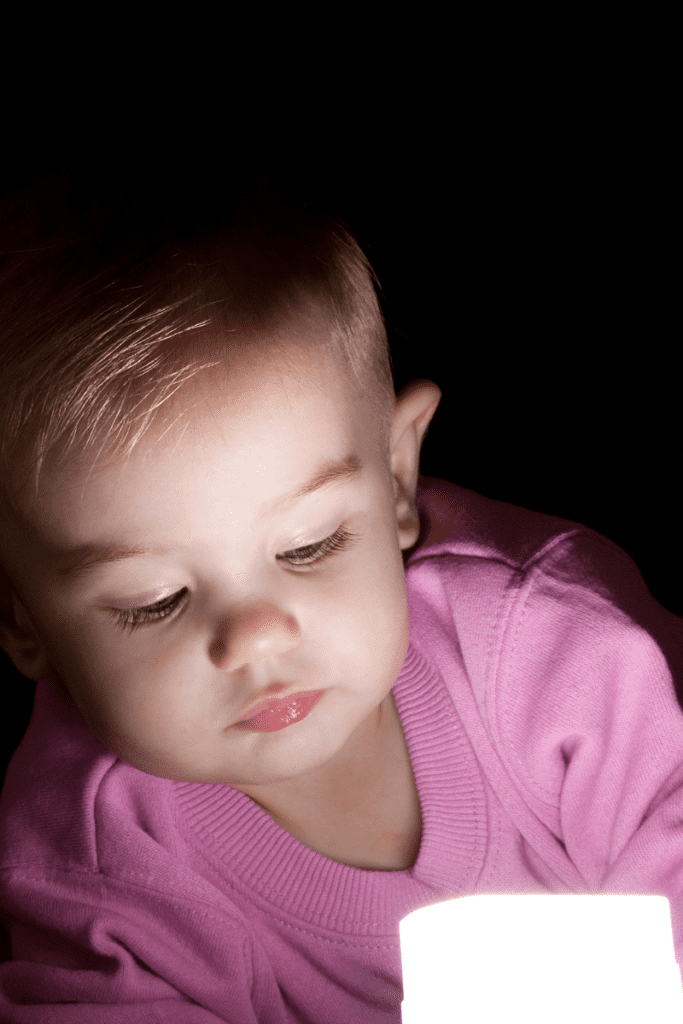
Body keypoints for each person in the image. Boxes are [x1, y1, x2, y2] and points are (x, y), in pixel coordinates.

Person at [0, 170, 681, 1023]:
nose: (256, 637)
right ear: (21, 617)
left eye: (309, 545)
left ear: (395, 478)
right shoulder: (100, 858)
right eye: (154, 599)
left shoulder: (549, 644)